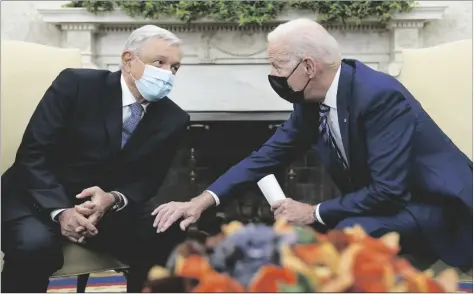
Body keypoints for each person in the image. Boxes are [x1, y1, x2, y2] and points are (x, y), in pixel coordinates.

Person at [152, 19, 473, 269]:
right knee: (290, 242)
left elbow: (389, 191)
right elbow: (265, 157)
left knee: (342, 236)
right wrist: (200, 202)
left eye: (277, 65)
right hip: (389, 203)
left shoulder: (378, 96)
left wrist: (312, 211)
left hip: (435, 207)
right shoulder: (310, 101)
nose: (271, 74)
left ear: (308, 67)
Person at [1, 25, 190, 292]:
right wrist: (62, 211)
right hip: (37, 197)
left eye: (174, 68)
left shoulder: (174, 118)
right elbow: (34, 154)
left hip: (104, 209)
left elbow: (148, 181)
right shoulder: (76, 84)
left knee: (167, 230)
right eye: (159, 63)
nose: (167, 74)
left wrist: (113, 198)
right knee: (34, 246)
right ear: (128, 60)